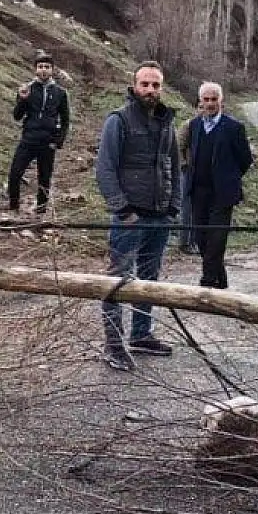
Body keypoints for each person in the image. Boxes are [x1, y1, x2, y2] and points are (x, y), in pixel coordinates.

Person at [95, 61, 181, 370]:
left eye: (156, 85)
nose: (150, 90)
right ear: (135, 86)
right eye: (145, 84)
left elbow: (174, 166)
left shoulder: (167, 122)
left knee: (150, 280)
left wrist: (174, 207)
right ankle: (114, 345)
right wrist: (122, 209)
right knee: (118, 280)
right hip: (129, 217)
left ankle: (141, 335)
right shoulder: (118, 120)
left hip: (159, 216)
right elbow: (104, 169)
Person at [183, 82, 253, 289]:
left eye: (214, 99)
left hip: (222, 194)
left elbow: (245, 159)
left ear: (221, 101)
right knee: (200, 237)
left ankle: (207, 281)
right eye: (206, 99)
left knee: (216, 238)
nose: (210, 103)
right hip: (198, 191)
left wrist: (229, 177)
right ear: (200, 101)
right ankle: (221, 279)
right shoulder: (194, 125)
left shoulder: (234, 128)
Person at [7, 50, 71, 215]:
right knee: (15, 174)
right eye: (40, 66)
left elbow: (65, 119)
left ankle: (41, 212)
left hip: (47, 141)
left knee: (44, 178)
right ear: (35, 69)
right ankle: (13, 207)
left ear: (52, 70)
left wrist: (58, 141)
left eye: (47, 67)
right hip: (29, 139)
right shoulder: (27, 89)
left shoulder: (60, 93)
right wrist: (22, 99)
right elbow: (17, 116)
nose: (43, 70)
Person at [173, 103, 198, 255]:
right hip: (188, 172)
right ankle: (184, 242)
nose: (203, 110)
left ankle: (195, 241)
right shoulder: (188, 126)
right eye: (200, 107)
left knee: (199, 209)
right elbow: (177, 146)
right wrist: (184, 165)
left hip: (203, 174)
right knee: (186, 208)